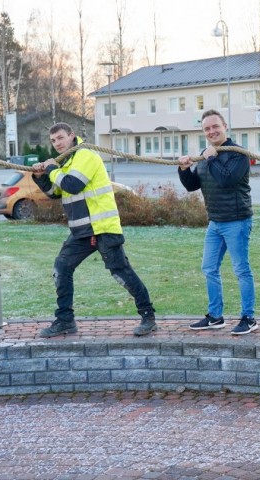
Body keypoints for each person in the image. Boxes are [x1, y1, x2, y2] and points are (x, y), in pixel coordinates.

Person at [33, 122, 156, 337]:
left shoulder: (85, 155)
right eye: (53, 141)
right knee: (61, 268)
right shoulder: (67, 161)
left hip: (103, 228)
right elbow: (56, 192)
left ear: (72, 136)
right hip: (81, 231)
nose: (57, 144)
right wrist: (40, 176)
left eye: (60, 138)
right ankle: (65, 321)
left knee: (121, 272)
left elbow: (72, 185)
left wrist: (52, 168)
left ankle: (148, 316)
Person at [177, 110, 258, 334]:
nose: (211, 131)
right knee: (209, 268)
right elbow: (193, 185)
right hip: (215, 222)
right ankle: (215, 317)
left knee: (241, 270)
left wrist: (211, 157)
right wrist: (183, 169)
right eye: (207, 129)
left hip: (237, 221)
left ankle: (249, 317)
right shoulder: (206, 153)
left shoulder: (238, 154)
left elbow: (226, 179)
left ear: (225, 127)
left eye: (215, 127)